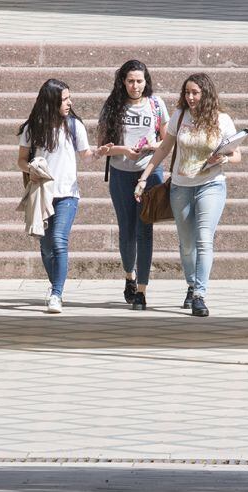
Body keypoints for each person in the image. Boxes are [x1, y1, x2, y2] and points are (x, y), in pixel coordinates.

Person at [137, 73, 239, 317]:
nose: (191, 97)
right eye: (187, 93)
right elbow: (164, 148)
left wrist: (224, 158)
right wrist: (143, 178)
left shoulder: (221, 120)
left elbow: (237, 154)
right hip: (181, 186)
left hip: (211, 185)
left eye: (195, 93)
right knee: (186, 244)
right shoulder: (179, 116)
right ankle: (191, 283)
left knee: (204, 239)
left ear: (206, 94)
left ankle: (199, 295)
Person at [16, 79, 109, 314]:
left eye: (69, 98)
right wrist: (32, 168)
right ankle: (54, 285)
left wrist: (99, 153)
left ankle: (56, 293)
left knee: (58, 241)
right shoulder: (32, 128)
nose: (69, 102)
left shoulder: (74, 125)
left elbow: (85, 155)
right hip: (42, 194)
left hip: (68, 194)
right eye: (64, 99)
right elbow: (21, 160)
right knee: (46, 248)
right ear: (51, 101)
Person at [96, 60, 169, 310]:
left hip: (149, 173)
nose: (135, 86)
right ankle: (129, 275)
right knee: (127, 230)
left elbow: (167, 140)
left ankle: (141, 291)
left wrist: (151, 146)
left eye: (139, 81)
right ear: (123, 82)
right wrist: (123, 150)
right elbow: (101, 145)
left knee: (145, 230)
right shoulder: (113, 106)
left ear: (146, 81)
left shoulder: (156, 105)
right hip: (120, 173)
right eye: (130, 81)